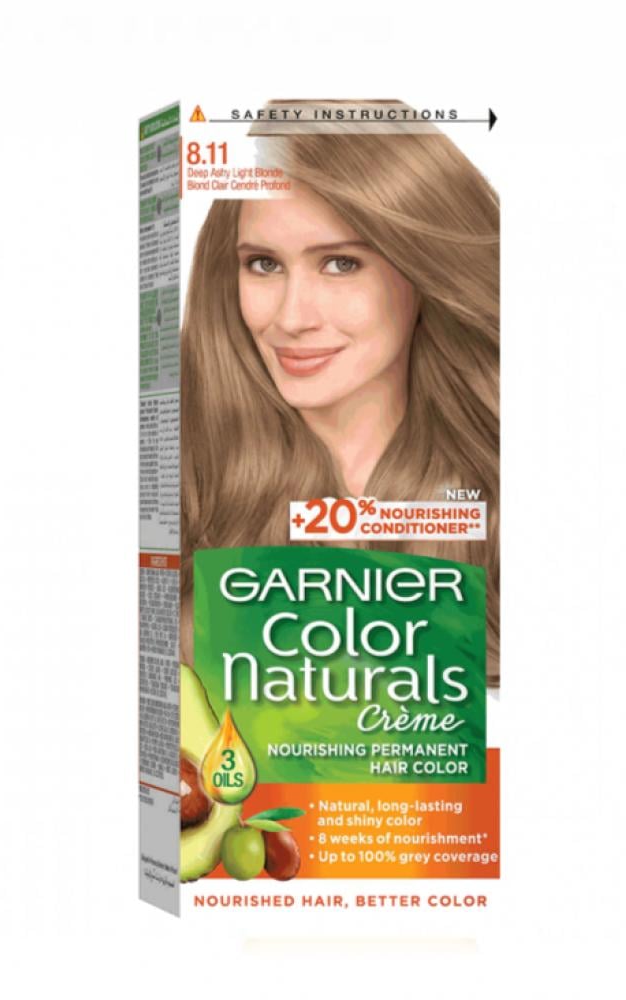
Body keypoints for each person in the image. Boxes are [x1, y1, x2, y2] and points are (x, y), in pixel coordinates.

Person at [180, 105, 500, 685]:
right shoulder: (187, 496)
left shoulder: (500, 498)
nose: (291, 318)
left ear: (424, 270)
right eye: (263, 264)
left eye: (341, 263)